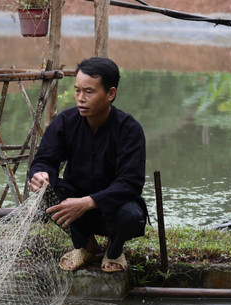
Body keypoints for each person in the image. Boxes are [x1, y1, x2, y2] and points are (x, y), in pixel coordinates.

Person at [29, 57, 147, 272]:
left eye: (89, 92)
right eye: (77, 91)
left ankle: (114, 249)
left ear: (110, 93)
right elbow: (45, 160)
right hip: (76, 209)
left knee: (131, 215)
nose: (80, 98)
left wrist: (88, 202)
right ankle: (86, 246)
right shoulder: (65, 122)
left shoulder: (129, 129)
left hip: (114, 209)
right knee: (47, 191)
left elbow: (131, 183)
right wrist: (40, 175)